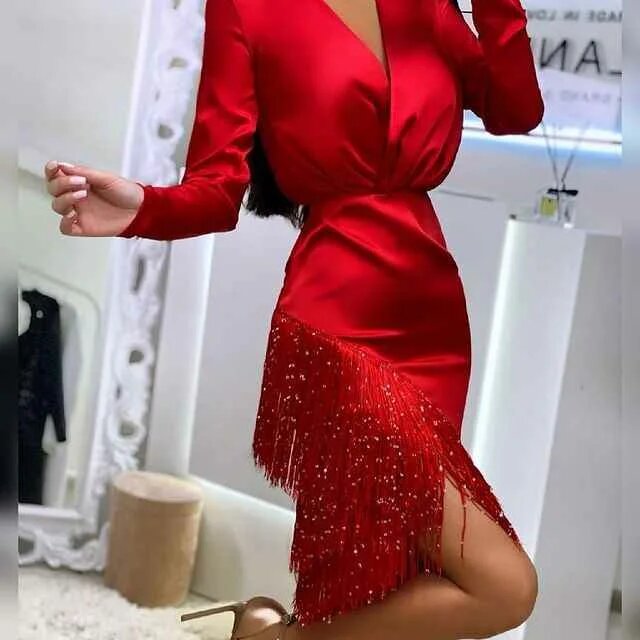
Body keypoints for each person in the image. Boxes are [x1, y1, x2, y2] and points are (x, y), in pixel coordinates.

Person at [44, 0, 544, 637]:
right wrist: (143, 206)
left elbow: (516, 109)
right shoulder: (247, 10)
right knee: (504, 587)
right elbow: (217, 190)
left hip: (433, 322)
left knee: (386, 579)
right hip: (336, 323)